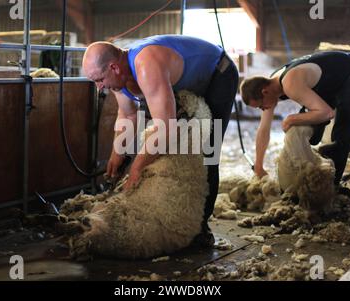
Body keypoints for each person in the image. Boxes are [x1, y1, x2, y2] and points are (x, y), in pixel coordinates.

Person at [82, 35, 239, 246]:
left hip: (218, 73)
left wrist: (136, 168)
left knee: (207, 149)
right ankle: (174, 215)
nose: (100, 87)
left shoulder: (146, 65)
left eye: (99, 80)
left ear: (114, 67)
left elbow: (165, 128)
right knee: (171, 150)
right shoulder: (118, 81)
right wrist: (117, 153)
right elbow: (128, 116)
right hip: (186, 80)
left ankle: (200, 228)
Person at [240, 51, 350, 186]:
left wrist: (291, 119)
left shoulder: (290, 84)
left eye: (260, 106)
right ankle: (315, 168)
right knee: (311, 134)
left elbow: (327, 113)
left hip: (349, 74)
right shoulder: (271, 87)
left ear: (264, 92)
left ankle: (332, 186)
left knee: (341, 134)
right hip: (326, 84)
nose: (263, 109)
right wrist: (258, 165)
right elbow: (263, 129)